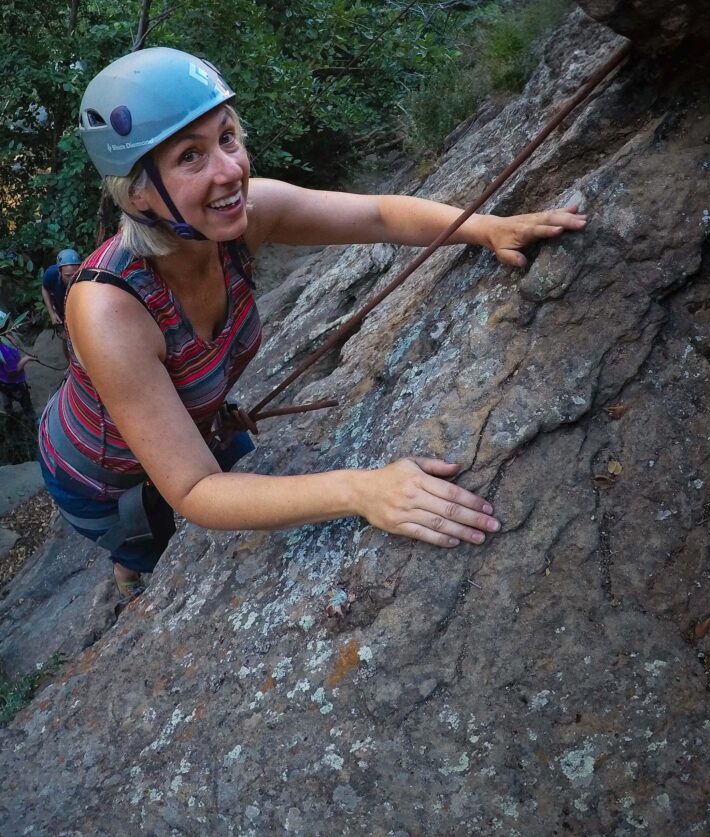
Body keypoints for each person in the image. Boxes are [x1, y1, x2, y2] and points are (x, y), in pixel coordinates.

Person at [38, 47, 587, 604]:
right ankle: (128, 573)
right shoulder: (110, 308)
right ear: (137, 192)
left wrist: (486, 228)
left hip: (194, 423)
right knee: (150, 549)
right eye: (189, 157)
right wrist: (362, 489)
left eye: (227, 138)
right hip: (101, 474)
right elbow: (196, 489)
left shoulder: (241, 218)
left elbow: (377, 216)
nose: (230, 170)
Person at [41, 249, 82, 351]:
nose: (72, 279)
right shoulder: (51, 274)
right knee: (65, 338)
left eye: (75, 274)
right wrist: (51, 312)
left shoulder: (84, 275)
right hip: (61, 311)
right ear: (59, 271)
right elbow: (45, 288)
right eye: (68, 275)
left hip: (79, 311)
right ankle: (69, 364)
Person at [0, 312, 35, 418]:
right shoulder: (6, 351)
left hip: (2, 380)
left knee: (5, 396)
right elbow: (13, 372)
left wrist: (13, 341)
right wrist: (26, 359)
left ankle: (9, 412)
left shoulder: (6, 339)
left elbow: (16, 345)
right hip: (14, 382)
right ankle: (31, 419)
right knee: (24, 399)